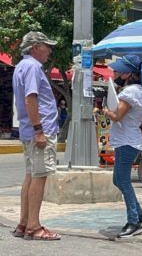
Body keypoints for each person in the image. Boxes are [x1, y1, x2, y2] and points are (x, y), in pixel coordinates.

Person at [11, 31, 61, 240]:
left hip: (28, 129)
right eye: (46, 46)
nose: (49, 50)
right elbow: (31, 99)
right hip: (40, 130)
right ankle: (34, 226)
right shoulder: (32, 67)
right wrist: (39, 130)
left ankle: (24, 223)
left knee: (31, 175)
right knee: (39, 177)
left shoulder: (21, 66)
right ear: (35, 47)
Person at [103, 55, 142, 238]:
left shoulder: (129, 93)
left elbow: (117, 117)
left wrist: (106, 111)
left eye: (119, 70)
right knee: (118, 180)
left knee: (122, 181)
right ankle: (141, 216)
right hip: (129, 140)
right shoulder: (137, 90)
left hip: (126, 141)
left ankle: (133, 221)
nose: (115, 72)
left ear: (128, 73)